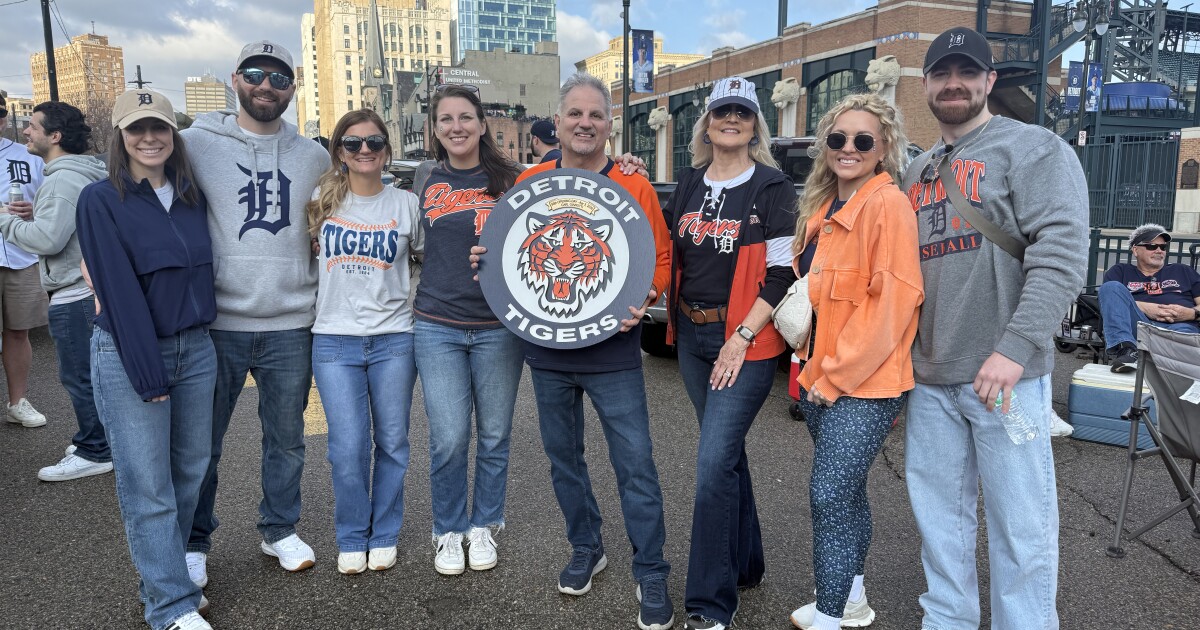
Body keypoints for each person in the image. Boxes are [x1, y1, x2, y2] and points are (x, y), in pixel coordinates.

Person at [471, 72, 674, 630]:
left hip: (614, 353)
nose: (585, 123)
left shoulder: (634, 185)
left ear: (610, 126)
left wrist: (646, 297)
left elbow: (659, 259)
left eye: (596, 115)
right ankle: (586, 546)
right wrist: (484, 263)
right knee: (565, 462)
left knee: (635, 466)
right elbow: (501, 251)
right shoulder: (531, 182)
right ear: (556, 123)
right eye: (575, 114)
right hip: (549, 354)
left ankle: (650, 569)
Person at [900, 28, 1088, 629]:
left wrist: (1015, 346)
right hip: (930, 379)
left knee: (1023, 532)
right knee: (940, 531)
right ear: (927, 85)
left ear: (988, 81)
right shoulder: (917, 171)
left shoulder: (1034, 149)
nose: (953, 83)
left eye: (966, 72)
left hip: (1005, 377)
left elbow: (1060, 252)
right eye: (941, 73)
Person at [182, 40, 329, 583]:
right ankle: (195, 542)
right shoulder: (193, 143)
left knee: (287, 438)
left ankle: (279, 529)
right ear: (235, 78)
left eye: (279, 77)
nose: (266, 85)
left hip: (292, 321)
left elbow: (333, 221)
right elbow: (137, 189)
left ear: (293, 88)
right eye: (254, 73)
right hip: (217, 322)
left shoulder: (313, 154)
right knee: (202, 441)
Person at [76, 88, 217, 630]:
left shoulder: (189, 195)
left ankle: (165, 579)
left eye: (158, 126)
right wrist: (145, 370)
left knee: (189, 472)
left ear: (172, 133)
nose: (150, 137)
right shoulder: (100, 199)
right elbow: (116, 288)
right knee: (147, 484)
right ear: (121, 137)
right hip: (133, 350)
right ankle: (169, 606)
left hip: (196, 348)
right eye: (137, 129)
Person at [662, 77, 797, 630]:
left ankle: (709, 603)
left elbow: (784, 273)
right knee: (727, 455)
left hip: (747, 339)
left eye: (742, 111)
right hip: (692, 337)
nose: (731, 119)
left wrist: (741, 339)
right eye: (722, 111)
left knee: (712, 463)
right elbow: (666, 246)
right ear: (708, 122)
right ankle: (746, 564)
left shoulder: (772, 187)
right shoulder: (691, 182)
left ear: (756, 124)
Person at [786, 93, 923, 630]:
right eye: (838, 138)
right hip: (822, 374)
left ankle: (827, 615)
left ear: (883, 147)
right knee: (846, 494)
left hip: (861, 383)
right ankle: (854, 600)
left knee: (828, 494)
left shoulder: (886, 204)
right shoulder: (825, 207)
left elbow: (893, 301)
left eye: (863, 140)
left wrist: (835, 376)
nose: (849, 148)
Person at [412, 84, 525, 576]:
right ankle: (448, 530)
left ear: (482, 124)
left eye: (465, 117)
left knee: (496, 434)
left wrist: (624, 161)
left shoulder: (514, 179)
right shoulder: (422, 177)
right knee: (450, 437)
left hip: (499, 326)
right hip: (436, 323)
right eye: (445, 120)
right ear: (434, 129)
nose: (456, 127)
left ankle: (485, 524)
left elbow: (568, 198)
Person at [306, 109, 422, 575]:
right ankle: (353, 533)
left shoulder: (406, 205)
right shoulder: (321, 200)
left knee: (393, 441)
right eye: (353, 144)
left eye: (373, 142)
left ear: (386, 149)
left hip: (394, 338)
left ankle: (385, 531)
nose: (364, 151)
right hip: (334, 340)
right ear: (339, 152)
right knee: (347, 445)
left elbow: (428, 261)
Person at [0, 101, 110, 481]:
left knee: (79, 375)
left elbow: (47, 239)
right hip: (88, 288)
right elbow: (66, 223)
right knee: (92, 373)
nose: (26, 132)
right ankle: (98, 441)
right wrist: (37, 214)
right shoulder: (82, 172)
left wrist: (5, 221)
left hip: (73, 292)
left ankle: (95, 449)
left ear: (55, 136)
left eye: (32, 126)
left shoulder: (62, 179)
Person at [0, 91, 50, 429]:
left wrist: (35, 211)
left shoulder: (29, 155)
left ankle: (18, 401)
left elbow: (51, 202)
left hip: (21, 255)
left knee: (19, 332)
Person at [1099, 223, 1200, 372]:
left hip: (1179, 329)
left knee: (1185, 340)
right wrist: (1146, 308)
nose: (1159, 250)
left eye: (1162, 247)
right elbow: (1110, 301)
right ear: (1135, 250)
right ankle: (1127, 350)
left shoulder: (1183, 271)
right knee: (1110, 287)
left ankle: (1161, 362)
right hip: (1138, 328)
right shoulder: (1121, 271)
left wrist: (1190, 313)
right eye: (1151, 246)